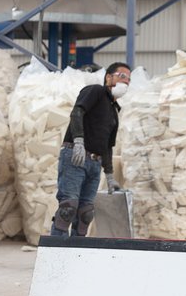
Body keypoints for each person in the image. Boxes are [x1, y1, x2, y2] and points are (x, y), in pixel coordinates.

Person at [50, 62, 131, 237]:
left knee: (86, 213)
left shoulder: (114, 112)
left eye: (129, 80)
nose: (126, 82)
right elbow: (77, 112)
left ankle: (77, 256)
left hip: (94, 163)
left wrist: (109, 176)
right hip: (75, 156)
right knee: (68, 208)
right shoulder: (95, 91)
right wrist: (78, 140)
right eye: (122, 76)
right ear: (108, 77)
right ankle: (56, 254)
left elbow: (108, 146)